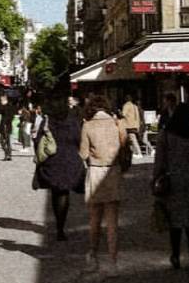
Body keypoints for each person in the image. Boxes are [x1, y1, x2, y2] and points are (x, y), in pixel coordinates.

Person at [153, 102, 189, 275]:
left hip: (172, 181)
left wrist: (156, 179)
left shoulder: (165, 135)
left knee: (174, 221)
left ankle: (175, 255)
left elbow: (159, 160)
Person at [79, 93, 128, 271]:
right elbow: (124, 147)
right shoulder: (116, 124)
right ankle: (113, 262)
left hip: (96, 172)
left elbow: (83, 153)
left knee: (94, 220)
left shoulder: (88, 126)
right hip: (113, 171)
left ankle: (93, 257)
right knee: (112, 221)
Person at [33, 94, 85, 241]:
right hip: (70, 160)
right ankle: (61, 226)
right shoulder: (73, 122)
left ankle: (59, 227)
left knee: (57, 193)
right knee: (64, 193)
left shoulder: (47, 122)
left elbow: (38, 141)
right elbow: (79, 139)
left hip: (53, 161)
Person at [0, 95, 15, 161]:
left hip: (5, 127)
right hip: (8, 126)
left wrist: (5, 125)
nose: (0, 102)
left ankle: (7, 154)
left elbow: (7, 117)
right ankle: (9, 155)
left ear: (4, 100)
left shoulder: (6, 107)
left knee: (2, 141)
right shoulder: (9, 107)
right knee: (7, 142)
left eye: (1, 100)